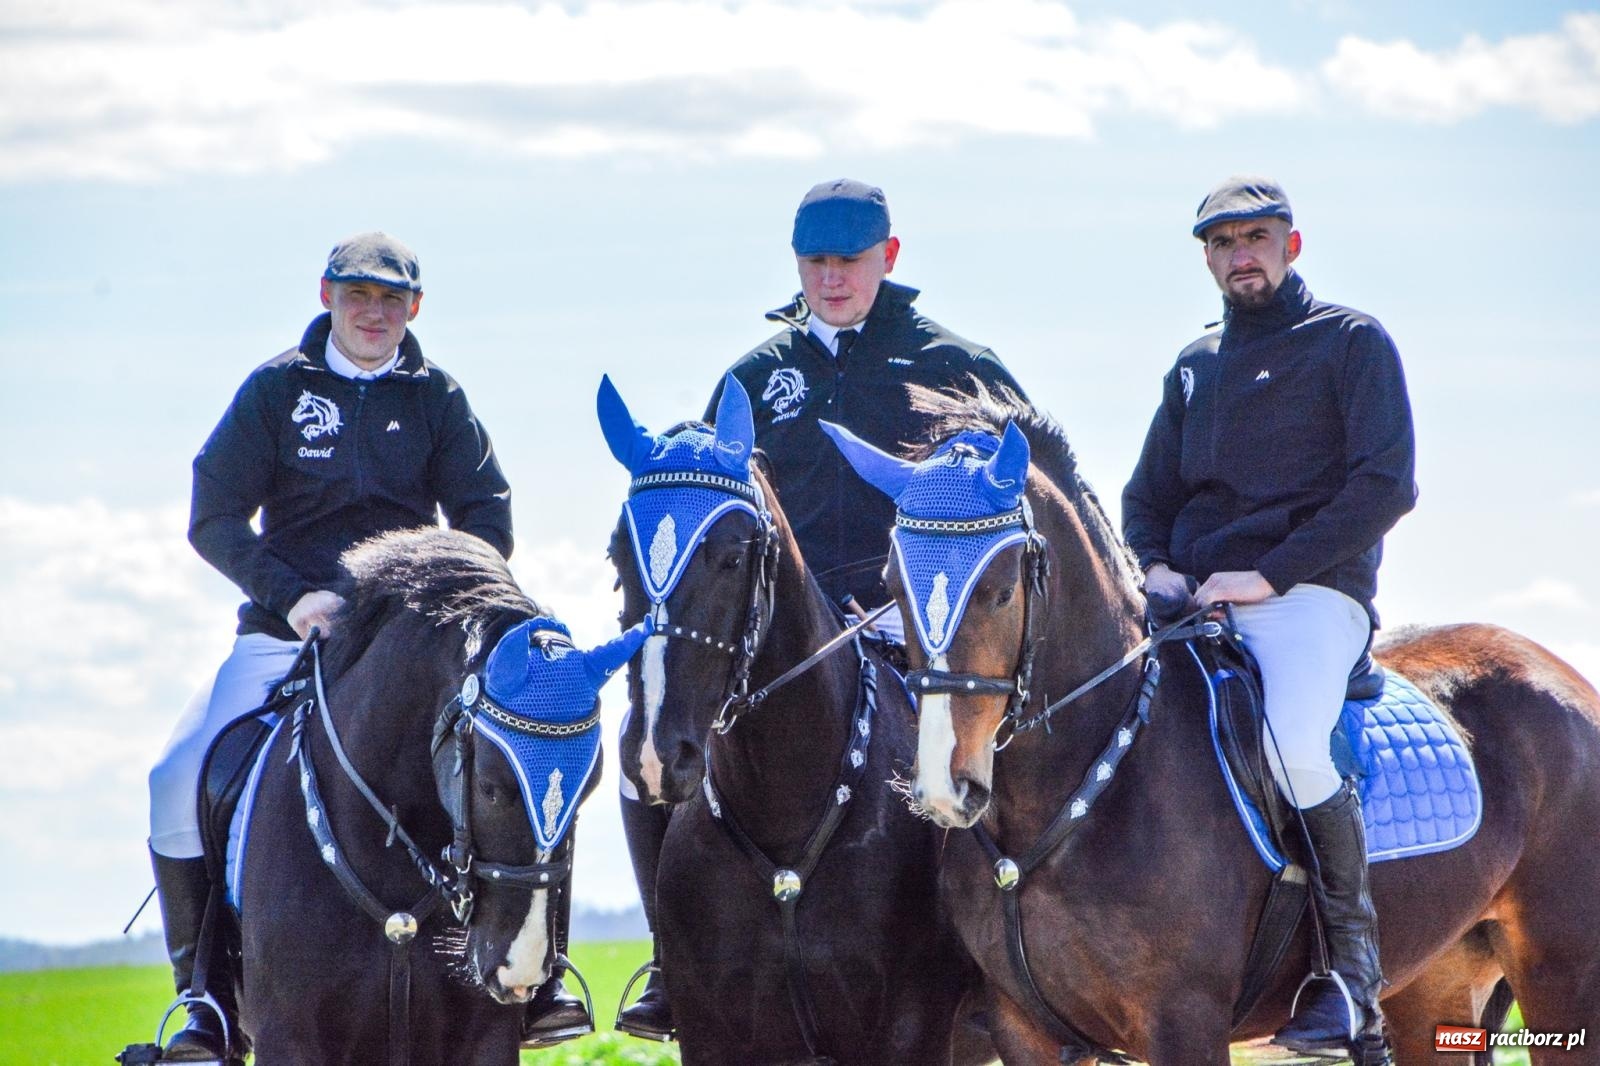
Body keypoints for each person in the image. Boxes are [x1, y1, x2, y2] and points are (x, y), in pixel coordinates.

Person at [615, 178, 1028, 1039]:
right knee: (654, 748)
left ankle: (1007, 963)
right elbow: (707, 511)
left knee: (998, 748)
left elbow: (1010, 501)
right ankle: (671, 959)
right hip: (776, 630)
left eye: (850, 260)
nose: (832, 278)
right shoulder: (754, 379)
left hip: (913, 619)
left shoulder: (954, 364)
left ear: (890, 257)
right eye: (816, 262)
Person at [146, 233, 576, 1058]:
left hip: (409, 654)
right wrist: (290, 597)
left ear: (414, 308)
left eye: (390, 299)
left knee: (521, 759)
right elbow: (214, 517)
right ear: (326, 295)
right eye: (357, 295)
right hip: (286, 635)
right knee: (174, 779)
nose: (372, 312)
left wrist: (426, 613)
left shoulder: (437, 398)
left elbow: (488, 524)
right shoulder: (275, 391)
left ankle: (537, 977)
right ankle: (204, 1003)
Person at [1121, 176, 1417, 1063]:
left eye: (1256, 237)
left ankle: (1349, 980)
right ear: (1206, 258)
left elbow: (1385, 485)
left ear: (1293, 243)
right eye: (1222, 243)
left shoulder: (1351, 342)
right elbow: (1146, 497)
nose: (1239, 254)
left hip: (1311, 593)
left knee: (1292, 741)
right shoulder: (1193, 363)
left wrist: (1271, 573)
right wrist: (1159, 567)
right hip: (1197, 601)